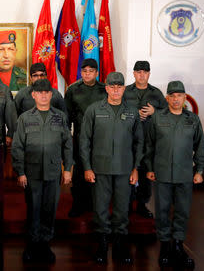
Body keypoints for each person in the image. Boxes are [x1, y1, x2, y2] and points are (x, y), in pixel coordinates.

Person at [80, 72, 143, 264]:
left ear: (124, 88)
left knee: (122, 209)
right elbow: (84, 141)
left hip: (124, 170)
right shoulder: (93, 110)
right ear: (106, 88)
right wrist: (87, 167)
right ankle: (101, 245)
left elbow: (139, 142)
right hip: (100, 169)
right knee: (100, 209)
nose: (116, 90)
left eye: (119, 86)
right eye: (112, 86)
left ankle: (120, 246)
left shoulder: (132, 112)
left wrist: (136, 168)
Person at [144, 81, 204, 269]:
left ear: (185, 98)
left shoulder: (192, 120)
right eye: (172, 95)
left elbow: (200, 147)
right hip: (162, 173)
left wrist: (201, 170)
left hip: (185, 174)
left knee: (182, 211)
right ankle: (165, 245)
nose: (176, 98)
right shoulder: (157, 118)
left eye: (180, 95)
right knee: (162, 211)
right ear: (167, 98)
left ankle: (178, 244)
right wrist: (149, 168)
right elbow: (149, 146)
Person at [12, 78, 73, 263]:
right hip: (31, 172)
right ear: (33, 95)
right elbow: (17, 147)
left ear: (51, 94)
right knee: (33, 209)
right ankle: (31, 244)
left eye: (47, 92)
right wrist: (20, 172)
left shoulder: (60, 116)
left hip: (53, 171)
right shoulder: (25, 118)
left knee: (49, 209)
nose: (44, 95)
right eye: (40, 92)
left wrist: (68, 168)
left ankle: (45, 244)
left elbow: (68, 145)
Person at [123, 60, 168, 218]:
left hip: (149, 140)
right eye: (138, 72)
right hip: (128, 139)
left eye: (145, 72)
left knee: (145, 172)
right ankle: (126, 205)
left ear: (149, 74)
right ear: (134, 73)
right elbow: (117, 109)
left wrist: (154, 112)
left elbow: (167, 115)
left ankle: (142, 204)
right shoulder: (125, 91)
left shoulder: (156, 93)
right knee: (128, 170)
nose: (142, 75)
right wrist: (134, 113)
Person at [64, 58, 107, 218]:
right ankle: (78, 204)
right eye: (84, 71)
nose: (87, 74)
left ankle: (96, 205)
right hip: (80, 137)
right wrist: (67, 137)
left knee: (99, 171)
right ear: (81, 72)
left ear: (96, 73)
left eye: (91, 71)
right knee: (80, 172)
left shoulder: (105, 89)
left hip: (101, 138)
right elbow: (67, 116)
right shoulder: (73, 89)